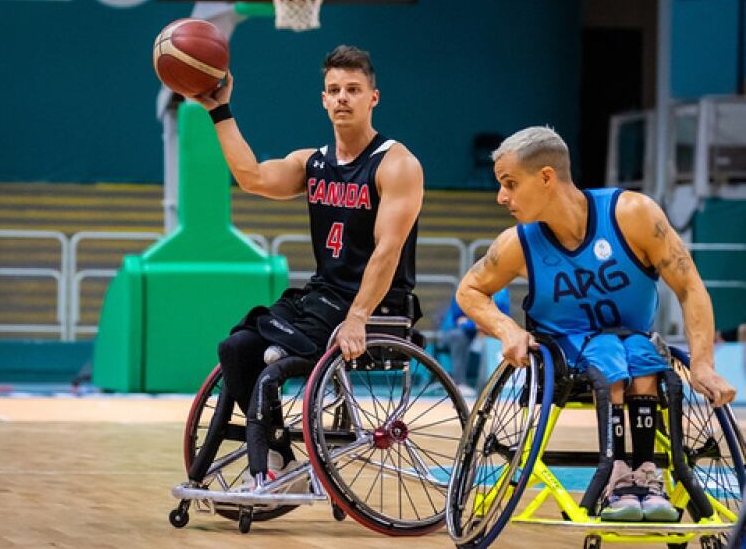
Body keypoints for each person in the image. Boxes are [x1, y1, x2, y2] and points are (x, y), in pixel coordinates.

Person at [456, 126, 736, 522]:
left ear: (547, 177)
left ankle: (646, 476)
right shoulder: (516, 243)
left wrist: (703, 362)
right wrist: (508, 330)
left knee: (640, 351)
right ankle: (618, 476)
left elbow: (690, 286)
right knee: (610, 352)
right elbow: (469, 291)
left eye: (510, 184)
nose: (502, 196)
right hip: (565, 355)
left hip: (636, 343)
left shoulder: (633, 215)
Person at [184, 45, 424, 490]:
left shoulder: (397, 164)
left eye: (353, 89)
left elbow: (387, 250)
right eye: (334, 90)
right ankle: (280, 452)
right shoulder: (311, 162)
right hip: (320, 297)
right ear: (323, 99)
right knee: (236, 347)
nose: (342, 98)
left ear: (374, 97)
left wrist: (357, 317)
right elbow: (252, 177)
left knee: (276, 362)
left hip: (374, 304)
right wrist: (220, 111)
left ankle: (273, 462)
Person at [439, 287, 509, 395]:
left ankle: (488, 387)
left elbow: (504, 317)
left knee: (497, 339)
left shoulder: (502, 291)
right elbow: (459, 321)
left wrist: (478, 325)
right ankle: (459, 384)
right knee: (459, 336)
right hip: (455, 332)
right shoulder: (465, 286)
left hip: (487, 331)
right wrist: (476, 325)